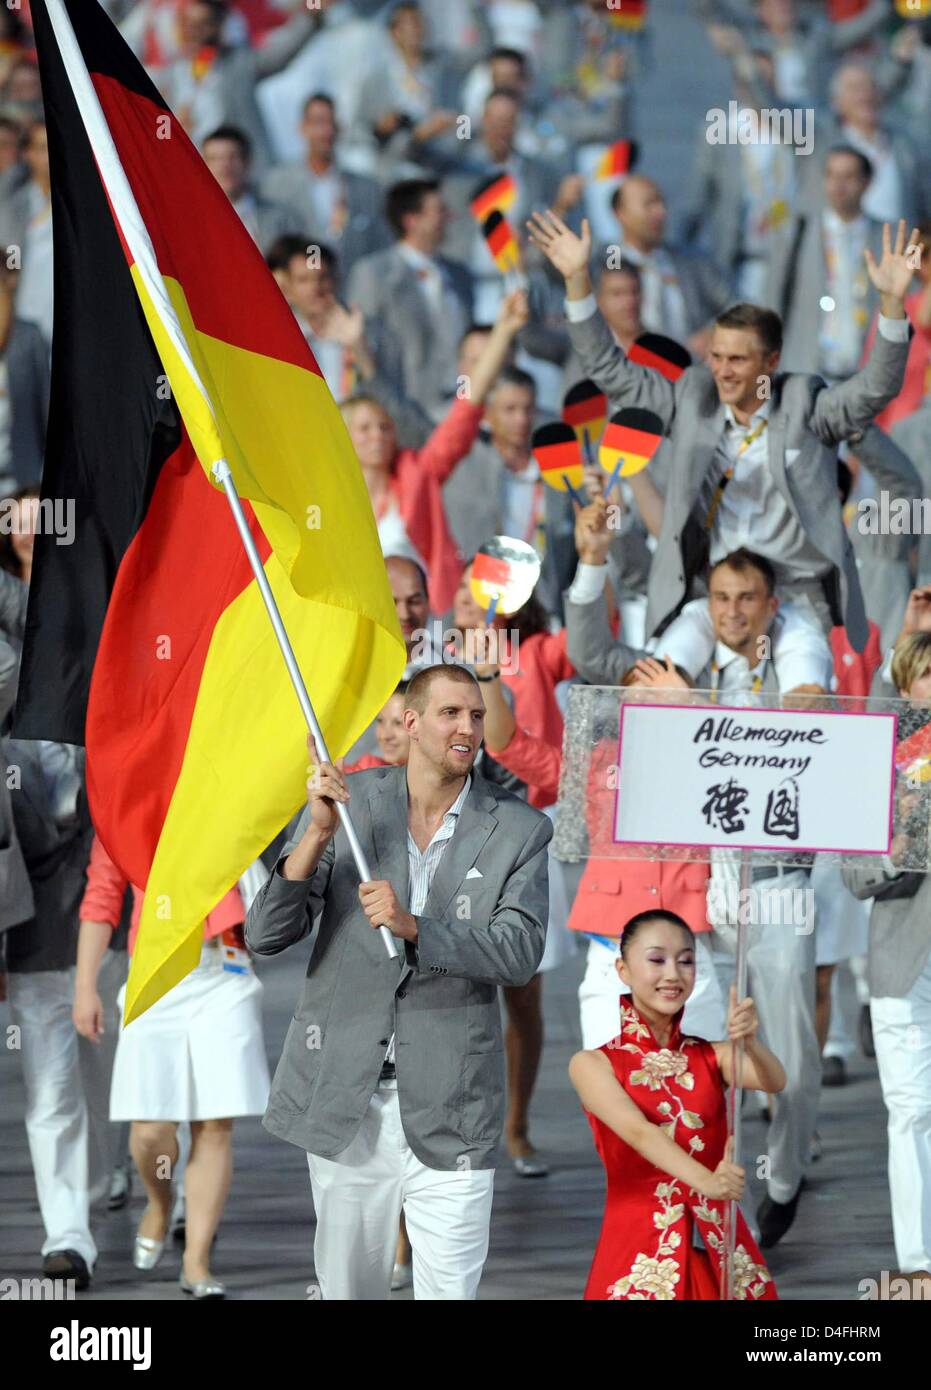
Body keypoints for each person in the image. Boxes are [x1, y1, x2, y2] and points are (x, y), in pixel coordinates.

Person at [245, 662, 552, 1301]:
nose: (467, 728)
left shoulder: (520, 828)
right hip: (344, 1103)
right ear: (410, 723)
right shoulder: (350, 806)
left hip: (455, 1107)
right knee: (348, 1293)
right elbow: (266, 934)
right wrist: (317, 835)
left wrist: (417, 927)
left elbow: (519, 952)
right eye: (450, 713)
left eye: (475, 715)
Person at [529, 207, 917, 651]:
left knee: (804, 699)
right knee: (664, 683)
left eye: (737, 360)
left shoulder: (809, 407)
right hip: (712, 600)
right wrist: (578, 282)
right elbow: (608, 369)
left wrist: (890, 305)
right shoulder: (692, 401)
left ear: (770, 363)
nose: (722, 371)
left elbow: (876, 388)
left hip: (796, 601)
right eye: (715, 356)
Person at [73, 835, 269, 1300]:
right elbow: (102, 892)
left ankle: (196, 1261)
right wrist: (85, 986)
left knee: (215, 1124)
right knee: (148, 1131)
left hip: (226, 968)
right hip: (156, 968)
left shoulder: (224, 788)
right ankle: (160, 1205)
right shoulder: (128, 802)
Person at [570, 909, 784, 1300]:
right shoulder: (592, 1064)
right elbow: (638, 1132)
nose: (673, 973)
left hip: (719, 1241)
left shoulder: (712, 1056)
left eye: (686, 960)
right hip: (638, 1246)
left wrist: (751, 1042)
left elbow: (775, 1081)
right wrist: (706, 1181)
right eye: (656, 960)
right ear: (622, 969)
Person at [341, 287, 529, 615]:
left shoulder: (418, 474)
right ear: (343, 437)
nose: (378, 436)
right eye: (365, 428)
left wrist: (502, 333)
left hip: (428, 630)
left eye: (385, 427)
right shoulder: (332, 498)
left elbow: (464, 412)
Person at [842, 631, 931, 1284]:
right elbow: (853, 874)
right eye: (926, 676)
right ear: (903, 689)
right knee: (911, 1112)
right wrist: (901, 841)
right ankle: (919, 1267)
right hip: (906, 963)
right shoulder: (878, 771)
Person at [348, 179, 473, 421]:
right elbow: (364, 346)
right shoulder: (374, 274)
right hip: (405, 408)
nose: (448, 217)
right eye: (439, 211)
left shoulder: (460, 274)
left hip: (459, 405)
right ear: (411, 220)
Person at [768, 146, 884, 379]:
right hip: (807, 373)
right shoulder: (797, 232)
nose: (839, 185)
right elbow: (773, 299)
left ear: (867, 183)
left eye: (848, 177)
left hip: (865, 376)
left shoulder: (884, 237)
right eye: (832, 175)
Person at [260, 93, 390, 281]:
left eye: (331, 123)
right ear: (303, 128)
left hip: (351, 293)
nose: (326, 131)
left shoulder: (365, 189)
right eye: (318, 123)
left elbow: (380, 245)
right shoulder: (277, 186)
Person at [601, 175, 732, 352]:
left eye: (661, 203)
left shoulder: (689, 259)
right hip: (628, 368)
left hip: (687, 368)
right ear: (620, 213)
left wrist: (714, 332)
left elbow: (737, 304)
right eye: (649, 204)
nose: (660, 212)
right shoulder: (611, 257)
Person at [201, 124, 295, 254]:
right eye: (214, 159)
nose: (224, 166)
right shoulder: (194, 224)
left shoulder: (282, 218)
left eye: (232, 157)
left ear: (247, 162)